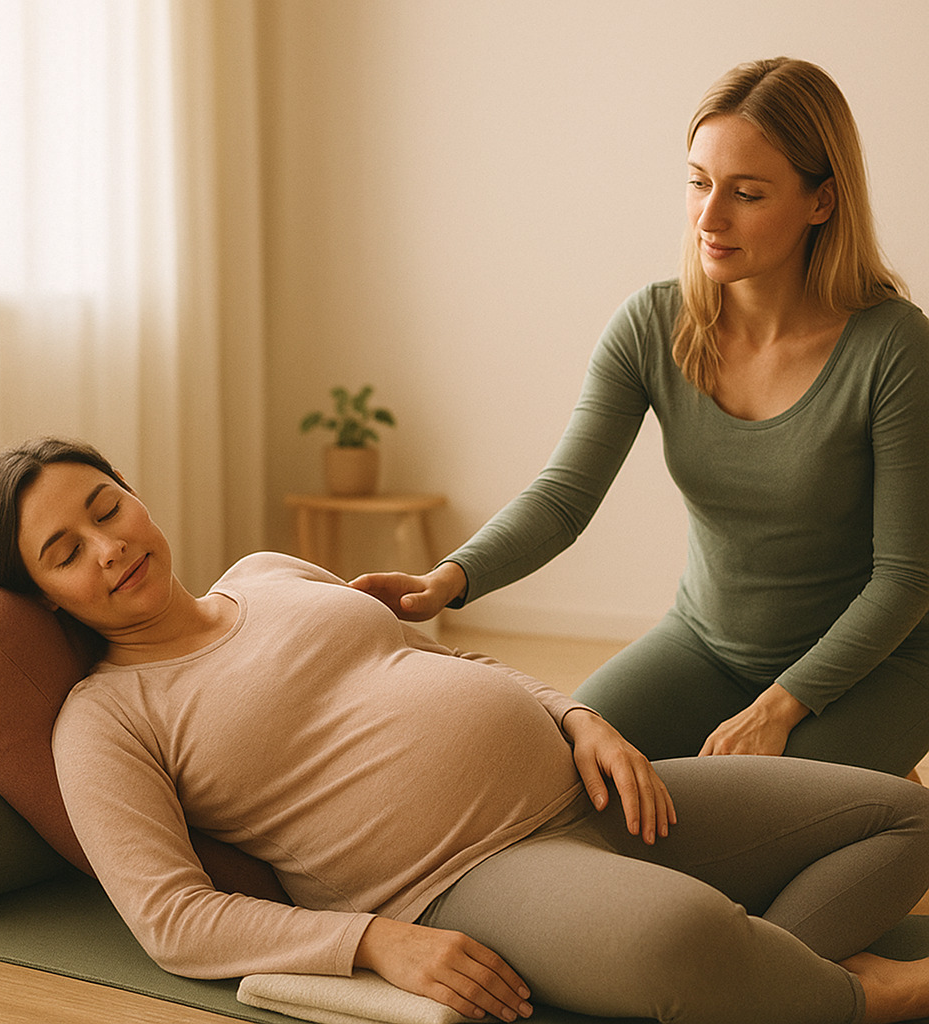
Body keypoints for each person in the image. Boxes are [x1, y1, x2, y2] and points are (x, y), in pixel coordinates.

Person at [0, 435, 929, 1024]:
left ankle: (769, 988)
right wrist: (374, 941)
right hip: (466, 874)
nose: (111, 545)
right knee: (681, 939)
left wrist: (577, 715)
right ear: (43, 598)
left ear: (133, 492)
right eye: (66, 551)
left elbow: (445, 665)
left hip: (579, 783)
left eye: (106, 507)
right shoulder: (105, 719)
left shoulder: (265, 570)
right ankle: (866, 999)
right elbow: (173, 918)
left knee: (901, 815)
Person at [352, 57, 929, 777]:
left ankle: (884, 806)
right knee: (563, 769)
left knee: (749, 823)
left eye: (747, 194)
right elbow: (564, 499)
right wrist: (446, 580)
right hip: (707, 646)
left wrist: (782, 706)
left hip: (879, 667)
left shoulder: (894, 345)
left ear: (822, 202)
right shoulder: (653, 326)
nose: (708, 218)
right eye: (697, 182)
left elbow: (905, 578)